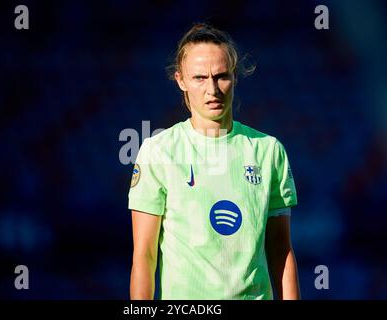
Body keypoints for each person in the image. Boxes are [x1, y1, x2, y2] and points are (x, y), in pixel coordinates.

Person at [128, 23, 300, 300]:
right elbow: (144, 257)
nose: (212, 89)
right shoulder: (157, 151)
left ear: (235, 77)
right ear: (181, 80)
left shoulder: (268, 151)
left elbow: (281, 251)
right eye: (199, 78)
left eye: (221, 76)